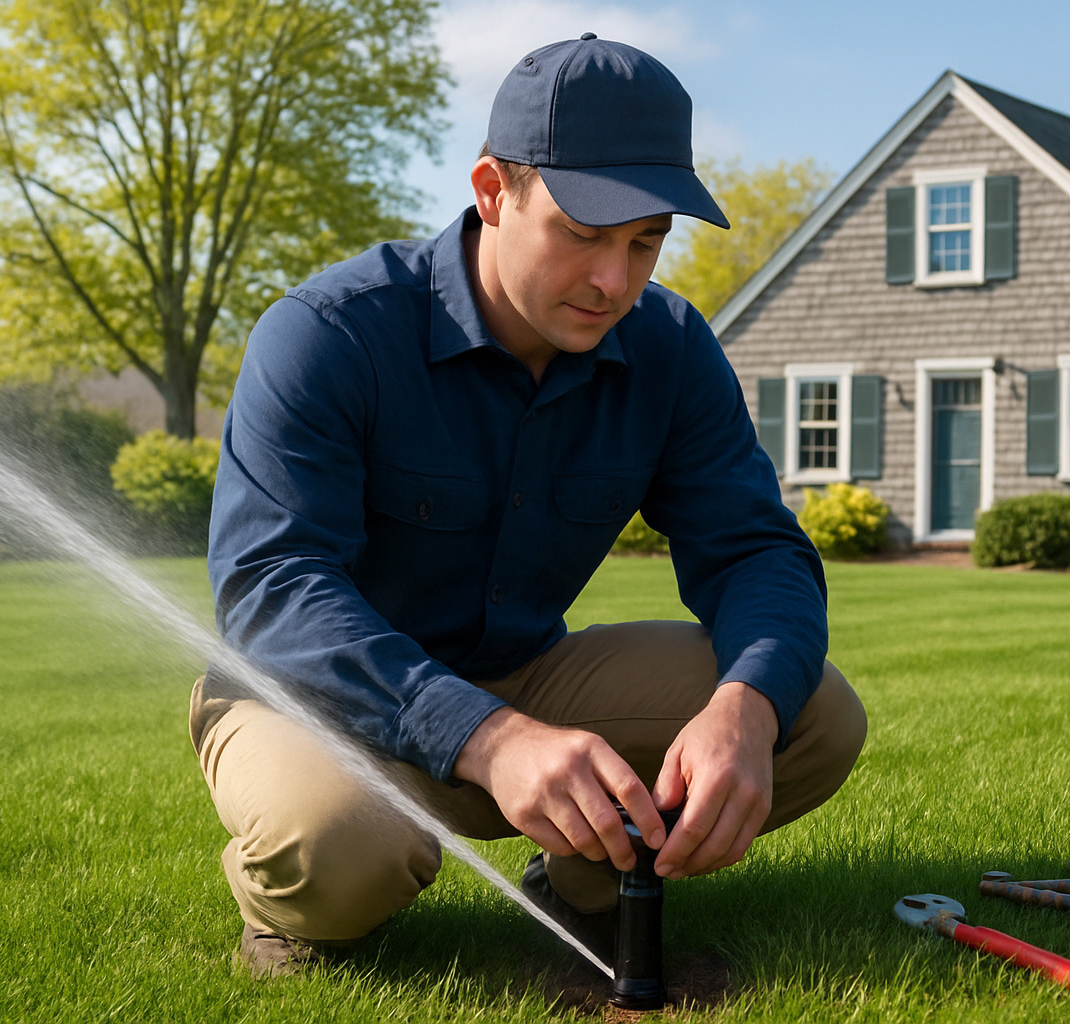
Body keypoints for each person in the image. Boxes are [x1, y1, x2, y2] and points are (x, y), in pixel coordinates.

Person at [191, 33, 866, 978]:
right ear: (492, 193)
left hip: (528, 676)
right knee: (345, 850)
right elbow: (271, 587)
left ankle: (584, 888)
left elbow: (757, 551)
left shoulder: (670, 348)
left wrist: (745, 709)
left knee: (812, 711)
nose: (614, 282)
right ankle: (292, 911)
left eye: (645, 242)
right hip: (313, 697)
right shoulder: (328, 335)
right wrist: (485, 737)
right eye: (584, 234)